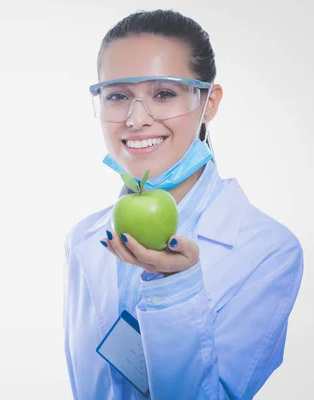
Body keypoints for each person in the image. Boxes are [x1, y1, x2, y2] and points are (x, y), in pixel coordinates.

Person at [62, 9, 304, 400]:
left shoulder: (269, 250)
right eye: (117, 96)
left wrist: (177, 287)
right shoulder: (84, 240)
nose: (136, 119)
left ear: (209, 102)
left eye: (163, 93)